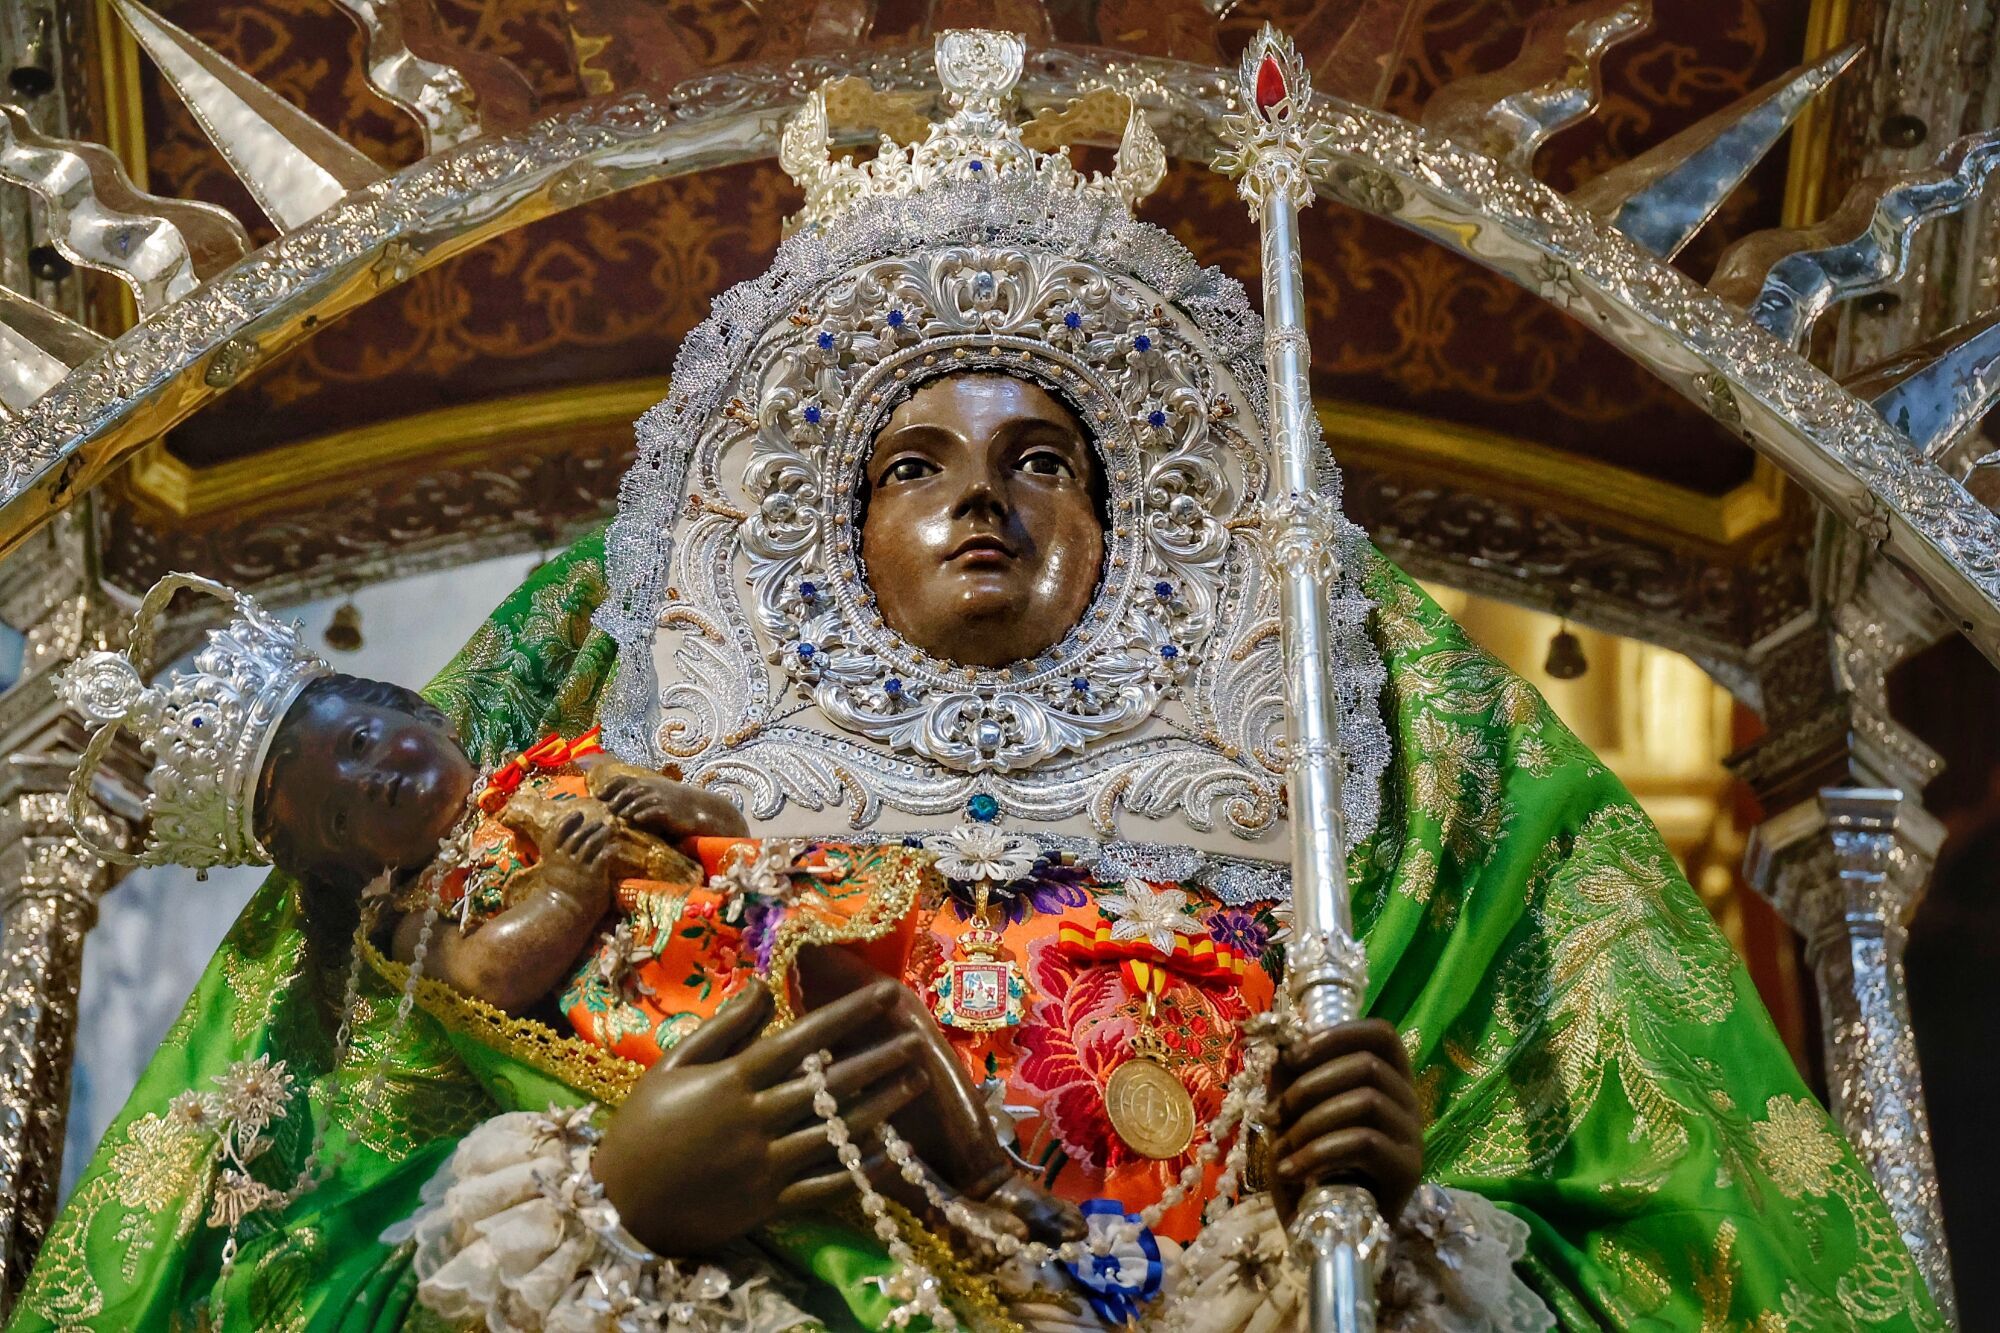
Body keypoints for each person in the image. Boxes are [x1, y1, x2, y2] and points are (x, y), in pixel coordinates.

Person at [15, 29, 1941, 1333]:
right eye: (911, 468)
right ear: (821, 523)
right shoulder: (596, 712)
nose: (982, 506)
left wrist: (1363, 1213)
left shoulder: (1386, 779)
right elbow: (296, 1226)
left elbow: (1679, 1222)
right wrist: (614, 1196)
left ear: (1143, 509)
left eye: (1044, 461)